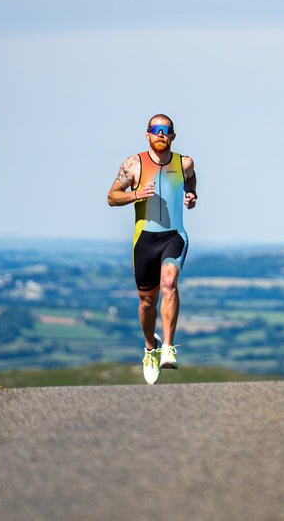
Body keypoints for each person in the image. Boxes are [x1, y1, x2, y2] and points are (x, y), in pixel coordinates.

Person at [108, 114, 197, 384]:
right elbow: (112, 197)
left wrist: (191, 195)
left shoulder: (184, 163)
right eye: (155, 130)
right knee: (148, 303)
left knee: (169, 283)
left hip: (174, 236)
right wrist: (135, 194)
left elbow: (191, 179)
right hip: (144, 241)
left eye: (166, 130)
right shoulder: (133, 164)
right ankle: (150, 347)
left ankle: (169, 347)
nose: (160, 133)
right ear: (147, 134)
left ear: (172, 135)